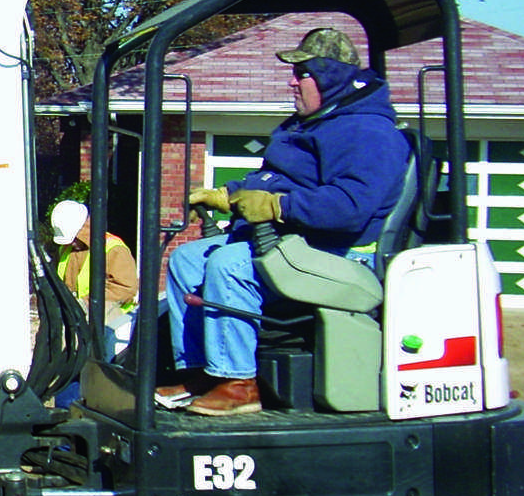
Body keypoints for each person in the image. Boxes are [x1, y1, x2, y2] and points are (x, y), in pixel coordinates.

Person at [162, 27, 407, 417]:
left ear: (331, 77)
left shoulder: (368, 132)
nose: (292, 82)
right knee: (187, 260)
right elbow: (273, 181)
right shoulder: (308, 125)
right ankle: (203, 372)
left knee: (231, 265)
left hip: (343, 252)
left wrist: (278, 207)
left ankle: (240, 382)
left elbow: (350, 206)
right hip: (298, 241)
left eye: (302, 72)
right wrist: (229, 194)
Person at [49, 199, 139, 354]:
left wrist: (86, 302)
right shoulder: (66, 250)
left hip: (112, 321)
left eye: (74, 239)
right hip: (78, 316)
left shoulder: (113, 249)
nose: (71, 244)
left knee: (95, 360)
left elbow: (125, 288)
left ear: (83, 230)